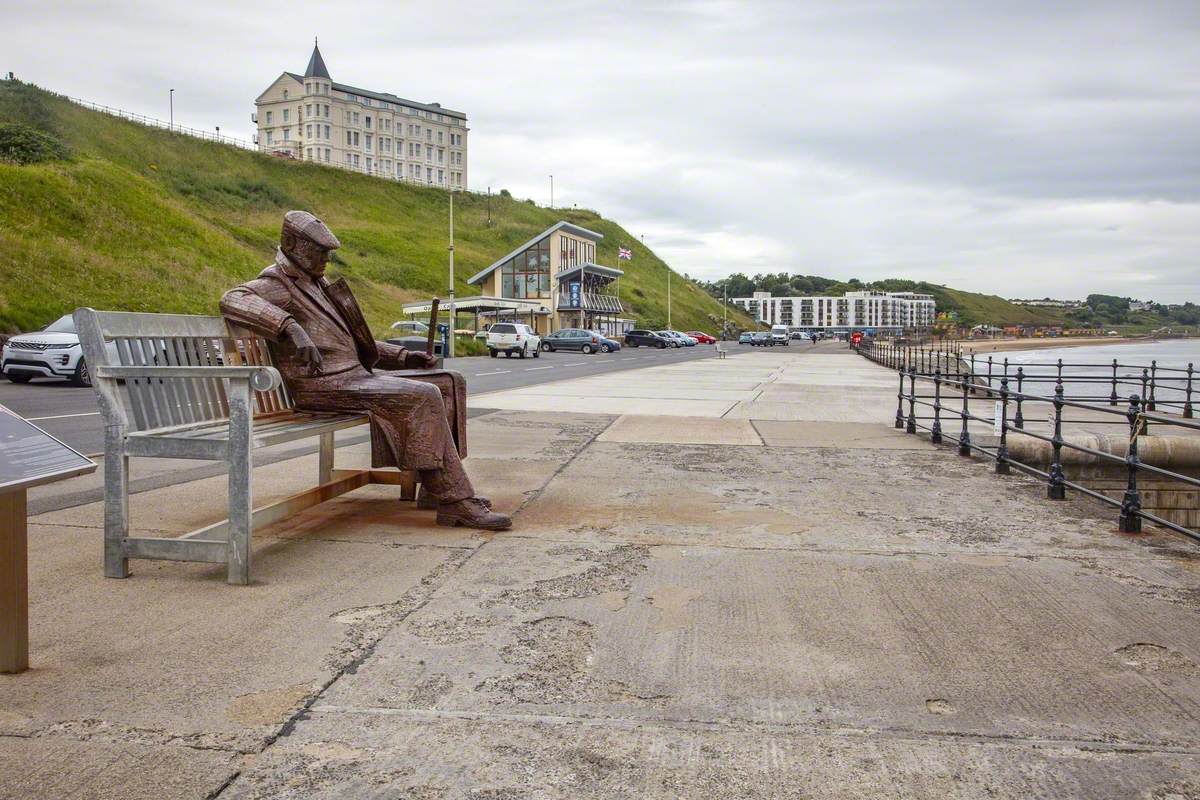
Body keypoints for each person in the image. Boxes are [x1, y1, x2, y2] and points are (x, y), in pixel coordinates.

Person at [220, 211, 510, 530]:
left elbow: (357, 344)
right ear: (291, 243)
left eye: (328, 252)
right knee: (424, 395)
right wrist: (288, 326)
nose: (327, 258)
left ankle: (435, 487)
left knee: (448, 381)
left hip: (353, 377)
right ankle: (456, 501)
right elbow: (233, 299)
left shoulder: (318, 284)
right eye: (320, 251)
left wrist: (403, 357)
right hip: (323, 386)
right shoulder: (279, 284)